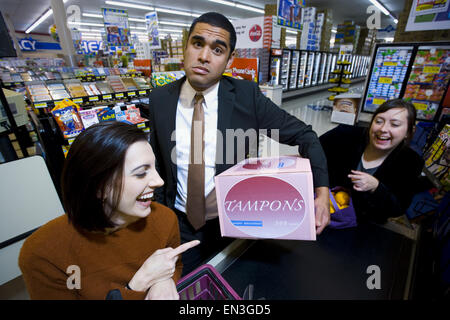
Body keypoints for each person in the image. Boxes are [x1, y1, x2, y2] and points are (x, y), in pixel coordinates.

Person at [148, 12, 330, 275]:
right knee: (185, 288)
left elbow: (306, 136)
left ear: (229, 59)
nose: (204, 57)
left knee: (234, 285)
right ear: (186, 46)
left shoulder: (247, 97)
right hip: (178, 224)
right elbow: (157, 163)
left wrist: (321, 192)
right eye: (197, 44)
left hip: (233, 222)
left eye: (217, 49)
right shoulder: (159, 99)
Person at [19, 122, 199, 300]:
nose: (159, 181)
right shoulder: (43, 253)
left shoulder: (164, 219)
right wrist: (140, 283)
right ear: (99, 186)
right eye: (141, 173)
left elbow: (174, 266)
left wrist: (165, 279)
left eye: (154, 168)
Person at [319, 99, 424, 223]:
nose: (383, 129)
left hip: (364, 225)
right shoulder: (344, 135)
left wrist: (376, 187)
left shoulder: (410, 162)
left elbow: (398, 208)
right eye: (379, 121)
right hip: (322, 212)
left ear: (409, 131)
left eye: (394, 124)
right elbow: (313, 150)